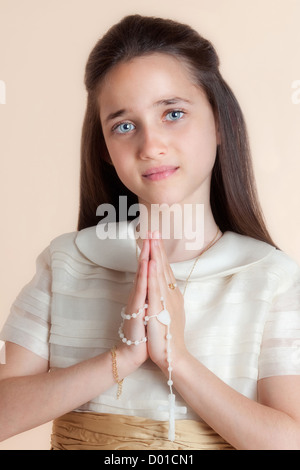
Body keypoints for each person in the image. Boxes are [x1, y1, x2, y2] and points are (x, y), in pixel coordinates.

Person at [0, 14, 300, 450]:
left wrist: (176, 358)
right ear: (104, 149)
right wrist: (120, 359)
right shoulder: (66, 262)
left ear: (220, 123)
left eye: (173, 113)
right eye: (124, 125)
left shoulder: (269, 277)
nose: (150, 145)